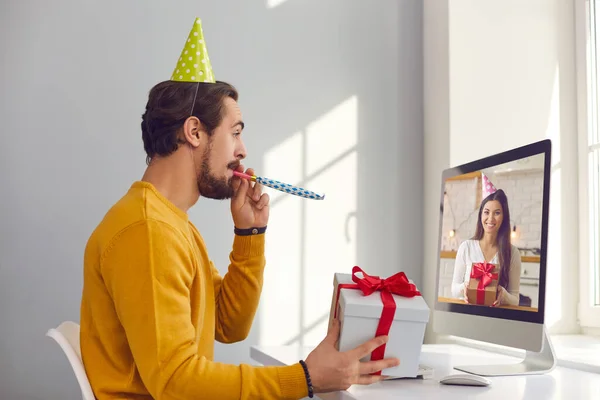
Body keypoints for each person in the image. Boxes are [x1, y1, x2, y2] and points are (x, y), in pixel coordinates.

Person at [79, 18, 399, 400]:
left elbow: (229, 325)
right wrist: (306, 379)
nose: (243, 150)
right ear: (195, 132)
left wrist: (250, 235)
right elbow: (176, 381)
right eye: (235, 132)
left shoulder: (169, 222)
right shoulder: (148, 231)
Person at [450, 173, 521, 307]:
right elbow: (453, 290)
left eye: (497, 213)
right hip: (468, 315)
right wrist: (465, 287)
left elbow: (515, 300)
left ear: (504, 217)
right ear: (481, 214)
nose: (491, 219)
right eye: (487, 212)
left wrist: (503, 294)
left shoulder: (513, 253)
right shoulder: (466, 248)